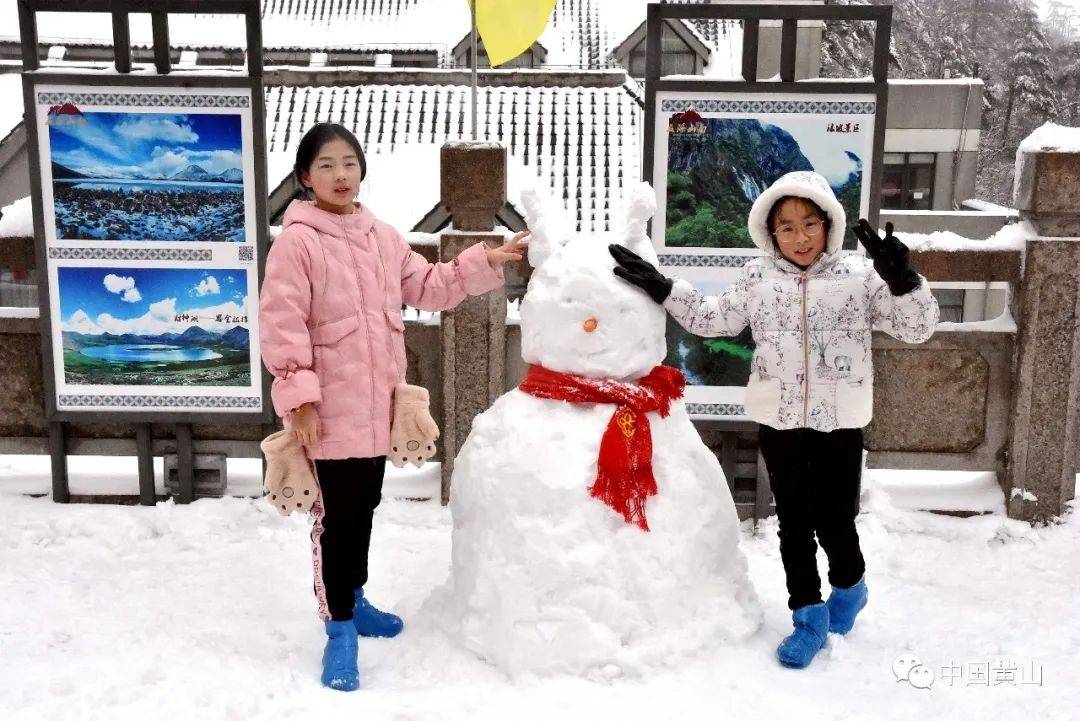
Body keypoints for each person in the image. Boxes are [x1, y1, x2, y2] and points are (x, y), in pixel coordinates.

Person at [608, 171, 939, 669]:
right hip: (780, 422)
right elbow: (713, 319)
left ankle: (850, 588)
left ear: (830, 224)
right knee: (793, 523)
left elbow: (918, 328)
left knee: (836, 521)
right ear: (770, 231)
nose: (800, 237)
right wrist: (663, 288)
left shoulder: (860, 278)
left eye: (810, 224)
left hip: (840, 423)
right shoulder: (756, 276)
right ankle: (807, 616)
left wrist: (903, 280)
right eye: (787, 227)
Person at [258, 123, 527, 691]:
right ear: (306, 177)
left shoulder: (381, 236)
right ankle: (338, 630)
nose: (340, 175)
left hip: (376, 406)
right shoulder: (297, 242)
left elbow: (428, 284)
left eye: (349, 163)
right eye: (326, 165)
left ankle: (354, 597)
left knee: (364, 507)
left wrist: (489, 259)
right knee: (335, 521)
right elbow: (282, 323)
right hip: (326, 410)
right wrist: (299, 399)